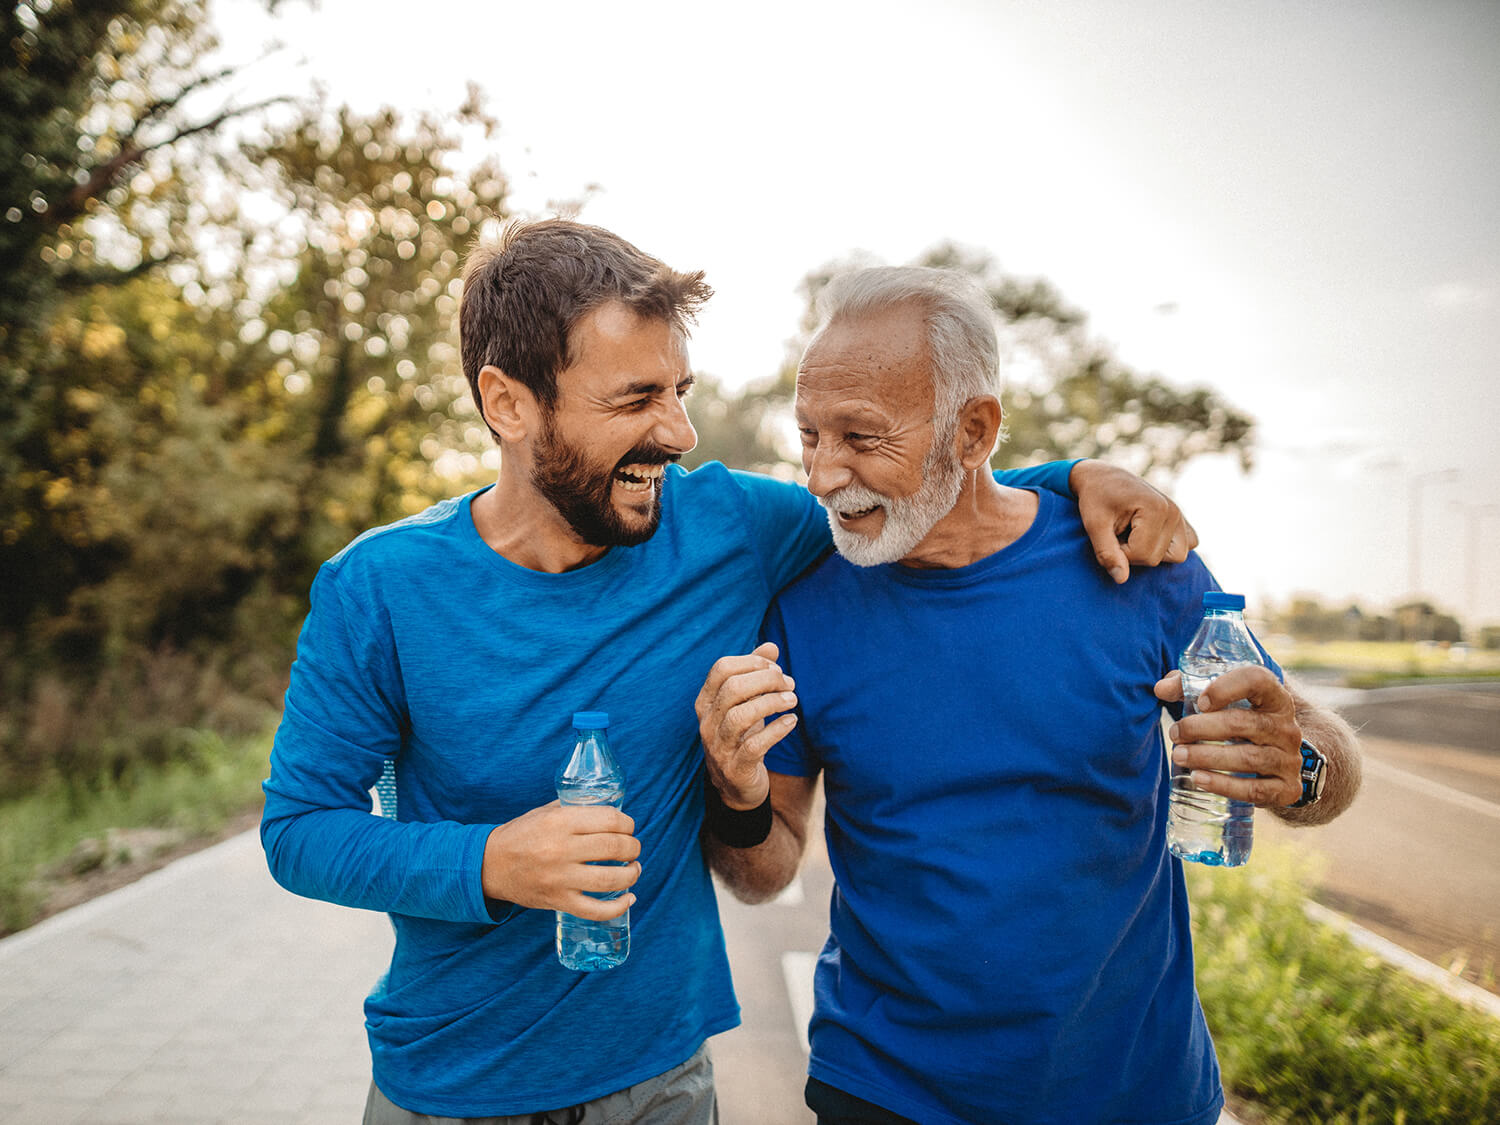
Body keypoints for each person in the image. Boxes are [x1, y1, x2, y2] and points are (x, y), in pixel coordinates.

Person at [261, 219, 1200, 1124]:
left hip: (658, 1081)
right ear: (508, 403)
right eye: (635, 399)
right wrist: (490, 861)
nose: (679, 432)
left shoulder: (730, 531)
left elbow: (921, 491)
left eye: (680, 389)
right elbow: (299, 829)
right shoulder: (377, 589)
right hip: (447, 1079)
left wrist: (1077, 478)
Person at [695, 266, 1363, 1125]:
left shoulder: (1131, 562)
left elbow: (1319, 757)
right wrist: (738, 793)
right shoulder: (804, 603)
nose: (824, 474)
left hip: (1137, 1091)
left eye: (860, 437)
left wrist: (1301, 768)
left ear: (973, 431)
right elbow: (766, 868)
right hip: (887, 1091)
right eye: (810, 436)